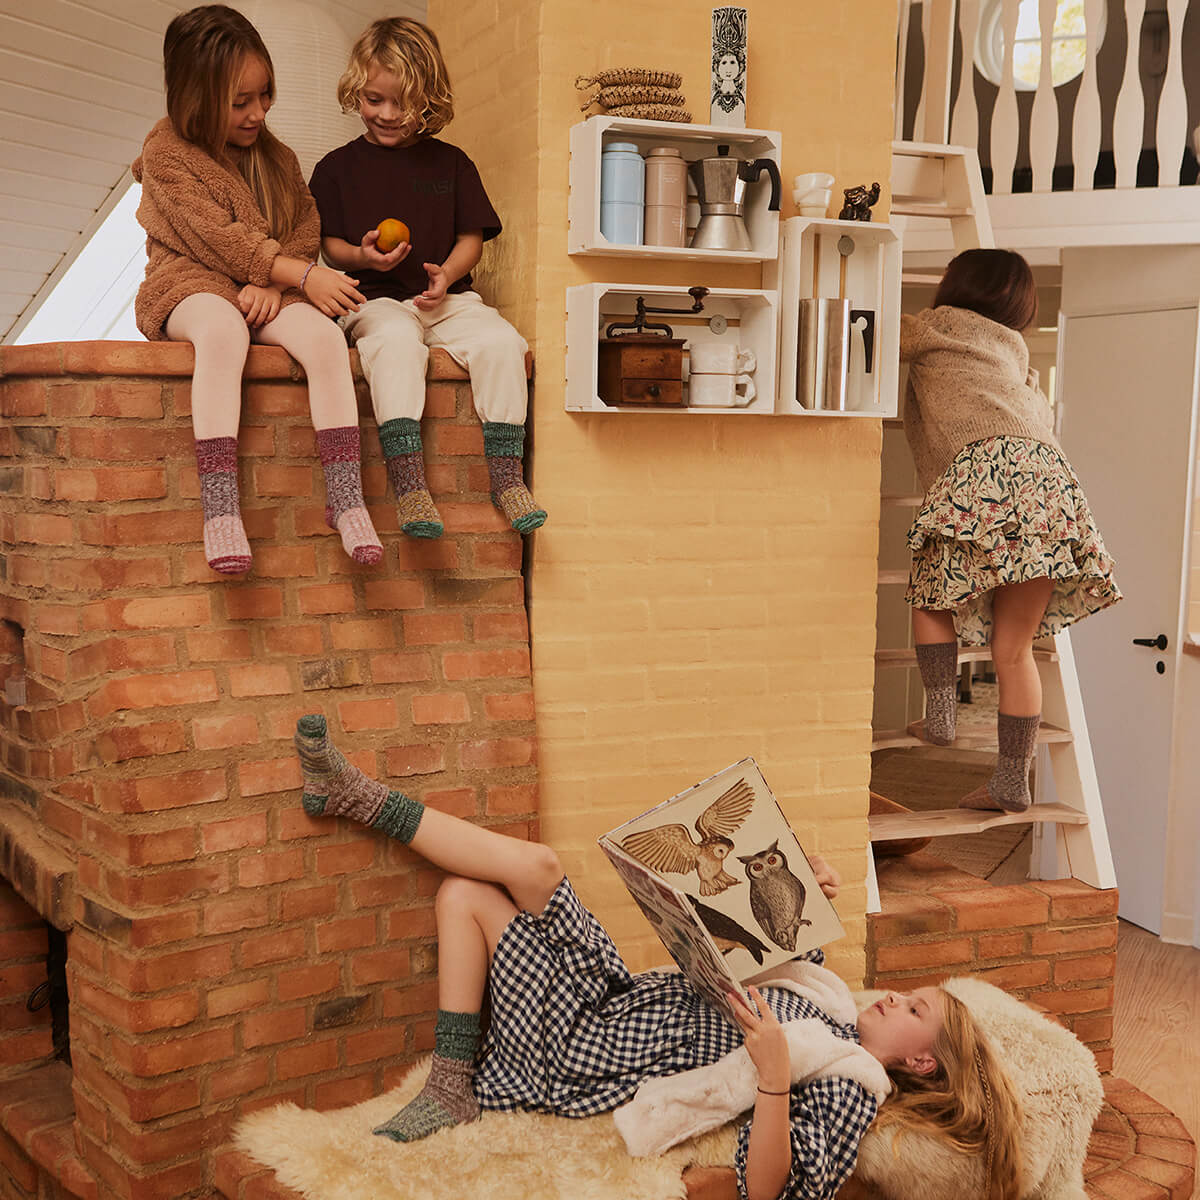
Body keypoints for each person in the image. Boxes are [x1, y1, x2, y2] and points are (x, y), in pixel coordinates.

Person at [291, 714, 1023, 1200]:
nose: (893, 996)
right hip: (618, 993)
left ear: (921, 1060)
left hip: (585, 1048)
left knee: (463, 896)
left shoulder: (850, 1079)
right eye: (908, 992)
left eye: (913, 1009)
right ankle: (354, 796)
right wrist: (807, 884)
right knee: (538, 867)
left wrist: (773, 1078)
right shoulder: (828, 998)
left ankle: (451, 1081)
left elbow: (774, 1189)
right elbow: (770, 944)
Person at [133, 5, 382, 575]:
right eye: (240, 101)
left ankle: (346, 498)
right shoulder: (166, 154)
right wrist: (293, 274)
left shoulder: (276, 155)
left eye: (264, 94)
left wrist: (275, 276)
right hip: (188, 281)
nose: (258, 112)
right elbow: (216, 237)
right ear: (195, 98)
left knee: (324, 338)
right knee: (223, 332)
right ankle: (220, 509)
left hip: (267, 283)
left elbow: (305, 224)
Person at [308, 17, 546, 541]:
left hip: (447, 299)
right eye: (374, 100)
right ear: (356, 91)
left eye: (403, 103)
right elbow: (329, 246)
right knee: (395, 342)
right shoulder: (334, 169)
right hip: (373, 299)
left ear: (429, 99)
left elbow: (470, 238)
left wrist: (448, 274)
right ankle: (410, 484)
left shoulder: (452, 164)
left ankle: (507, 479)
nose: (387, 114)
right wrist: (364, 258)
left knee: (504, 344)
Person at [900, 249, 1121, 812]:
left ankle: (941, 715)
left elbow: (873, 335)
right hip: (1052, 486)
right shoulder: (1016, 355)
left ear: (958, 284)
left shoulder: (933, 327)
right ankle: (1011, 780)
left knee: (931, 593)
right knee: (1015, 649)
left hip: (985, 470)